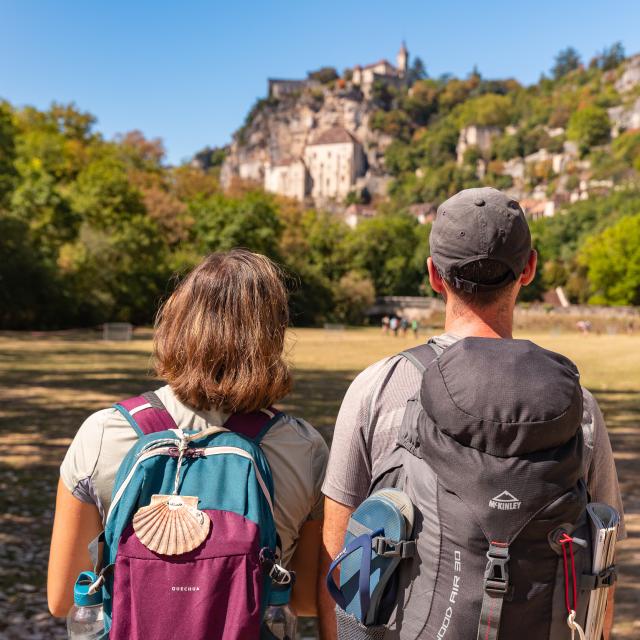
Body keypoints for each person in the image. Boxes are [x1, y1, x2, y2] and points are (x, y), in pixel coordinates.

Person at [318, 188, 626, 639]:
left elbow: (338, 562)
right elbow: (603, 561)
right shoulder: (574, 403)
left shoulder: (378, 387)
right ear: (530, 269)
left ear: (434, 276)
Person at [48, 249, 329, 624]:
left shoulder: (102, 433)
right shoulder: (304, 449)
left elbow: (64, 598)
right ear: (272, 338)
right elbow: (307, 600)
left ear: (177, 322)